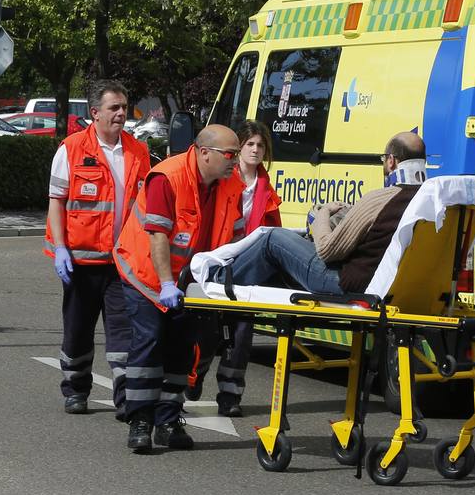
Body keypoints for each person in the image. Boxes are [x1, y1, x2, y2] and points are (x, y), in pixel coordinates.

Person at [113, 124, 241, 453]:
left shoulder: (230, 184)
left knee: (182, 349)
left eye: (237, 155)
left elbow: (237, 236)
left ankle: (168, 421)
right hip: (147, 276)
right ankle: (139, 420)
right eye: (230, 154)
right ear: (204, 153)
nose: (234, 162)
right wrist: (167, 284)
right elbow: (158, 236)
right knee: (149, 342)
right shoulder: (166, 178)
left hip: (190, 282)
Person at [203, 131, 427, 297]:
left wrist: (323, 214)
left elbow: (328, 250)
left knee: (273, 239)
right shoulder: (428, 203)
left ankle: (218, 281)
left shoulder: (379, 199)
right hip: (393, 284)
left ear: (391, 161)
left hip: (344, 283)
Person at [44, 80, 150, 416]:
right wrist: (61, 248)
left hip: (122, 262)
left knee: (124, 334)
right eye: (114, 108)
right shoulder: (72, 148)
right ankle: (76, 389)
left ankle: (125, 397)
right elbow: (56, 202)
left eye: (124, 107)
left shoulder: (138, 151)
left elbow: (146, 205)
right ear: (94, 113)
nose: (121, 114)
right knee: (78, 331)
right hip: (81, 260)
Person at [189, 120, 281, 418]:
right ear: (238, 148)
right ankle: (195, 375)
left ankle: (230, 394)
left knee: (241, 333)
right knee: (208, 331)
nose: (255, 150)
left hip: (248, 269)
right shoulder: (224, 178)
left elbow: (273, 232)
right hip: (217, 262)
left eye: (260, 145)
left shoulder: (267, 189)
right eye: (250, 144)